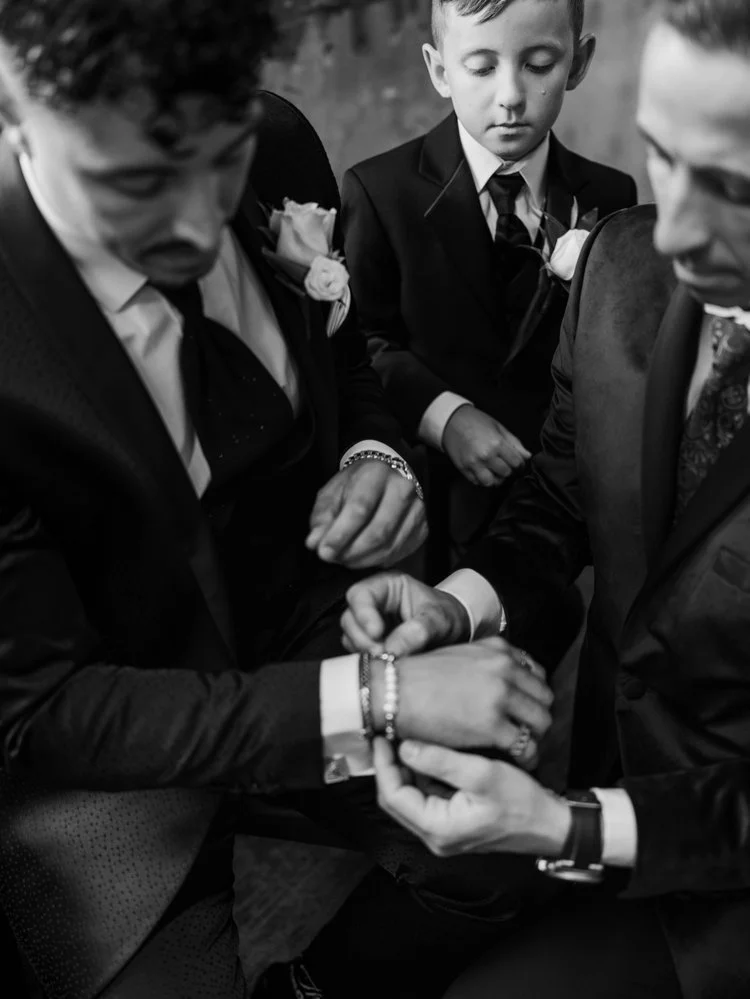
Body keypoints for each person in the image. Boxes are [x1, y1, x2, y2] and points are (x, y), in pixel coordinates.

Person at [0, 3, 567, 998]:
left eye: (216, 160)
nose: (193, 223)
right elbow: (45, 709)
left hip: (292, 623)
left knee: (511, 851)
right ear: (19, 120)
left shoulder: (275, 141)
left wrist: (374, 456)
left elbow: (345, 365)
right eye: (135, 180)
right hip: (100, 774)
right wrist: (376, 699)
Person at [343, 0, 750, 995]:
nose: (680, 233)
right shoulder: (621, 265)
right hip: (605, 783)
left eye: (736, 187)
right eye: (660, 155)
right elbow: (565, 501)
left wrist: (567, 827)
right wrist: (462, 600)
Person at [341, 0, 637, 593]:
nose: (510, 95)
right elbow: (361, 342)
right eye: (481, 67)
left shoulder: (610, 193)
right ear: (439, 69)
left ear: (577, 63)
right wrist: (446, 416)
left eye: (539, 64)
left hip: (560, 501)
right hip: (438, 508)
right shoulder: (379, 191)